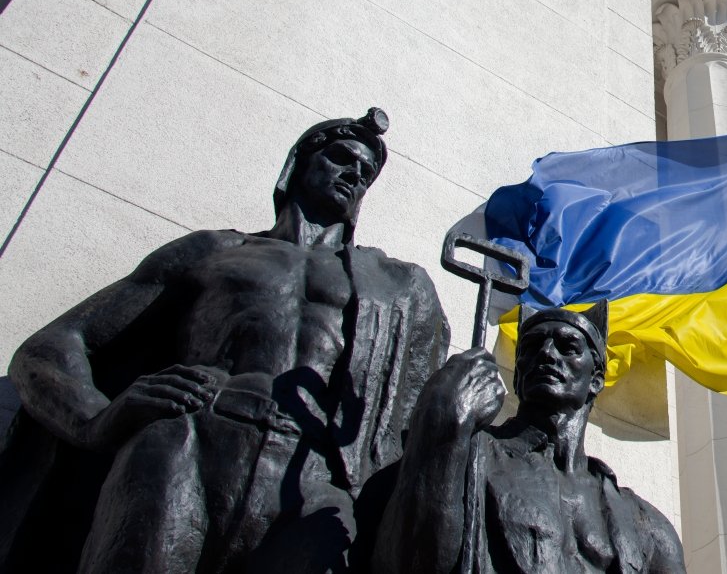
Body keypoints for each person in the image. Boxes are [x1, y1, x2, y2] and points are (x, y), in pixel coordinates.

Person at [0, 108, 448, 574]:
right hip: (187, 442)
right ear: (298, 163)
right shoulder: (215, 250)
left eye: (366, 171)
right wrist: (95, 419)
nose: (355, 172)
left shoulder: (397, 286)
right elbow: (51, 346)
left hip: (311, 474)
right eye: (340, 157)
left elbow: (416, 420)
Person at [373, 301, 684, 573]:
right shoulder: (468, 456)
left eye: (568, 347)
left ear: (596, 379)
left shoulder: (647, 525)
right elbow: (407, 564)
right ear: (518, 376)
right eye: (533, 346)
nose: (547, 354)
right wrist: (441, 425)